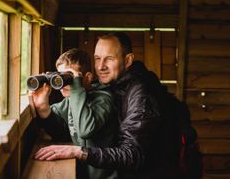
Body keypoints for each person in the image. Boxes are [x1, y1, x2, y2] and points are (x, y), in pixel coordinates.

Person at [34, 32, 183, 178]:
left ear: (128, 60)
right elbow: (72, 130)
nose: (100, 66)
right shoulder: (113, 85)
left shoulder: (142, 94)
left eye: (109, 59)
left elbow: (132, 155)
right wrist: (43, 110)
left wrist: (79, 152)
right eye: (97, 59)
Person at [30, 48, 118, 179]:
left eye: (69, 77)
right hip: (82, 172)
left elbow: (85, 130)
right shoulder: (71, 99)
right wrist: (43, 108)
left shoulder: (103, 99)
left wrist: (76, 88)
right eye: (60, 77)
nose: (62, 84)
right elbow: (62, 131)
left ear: (87, 78)